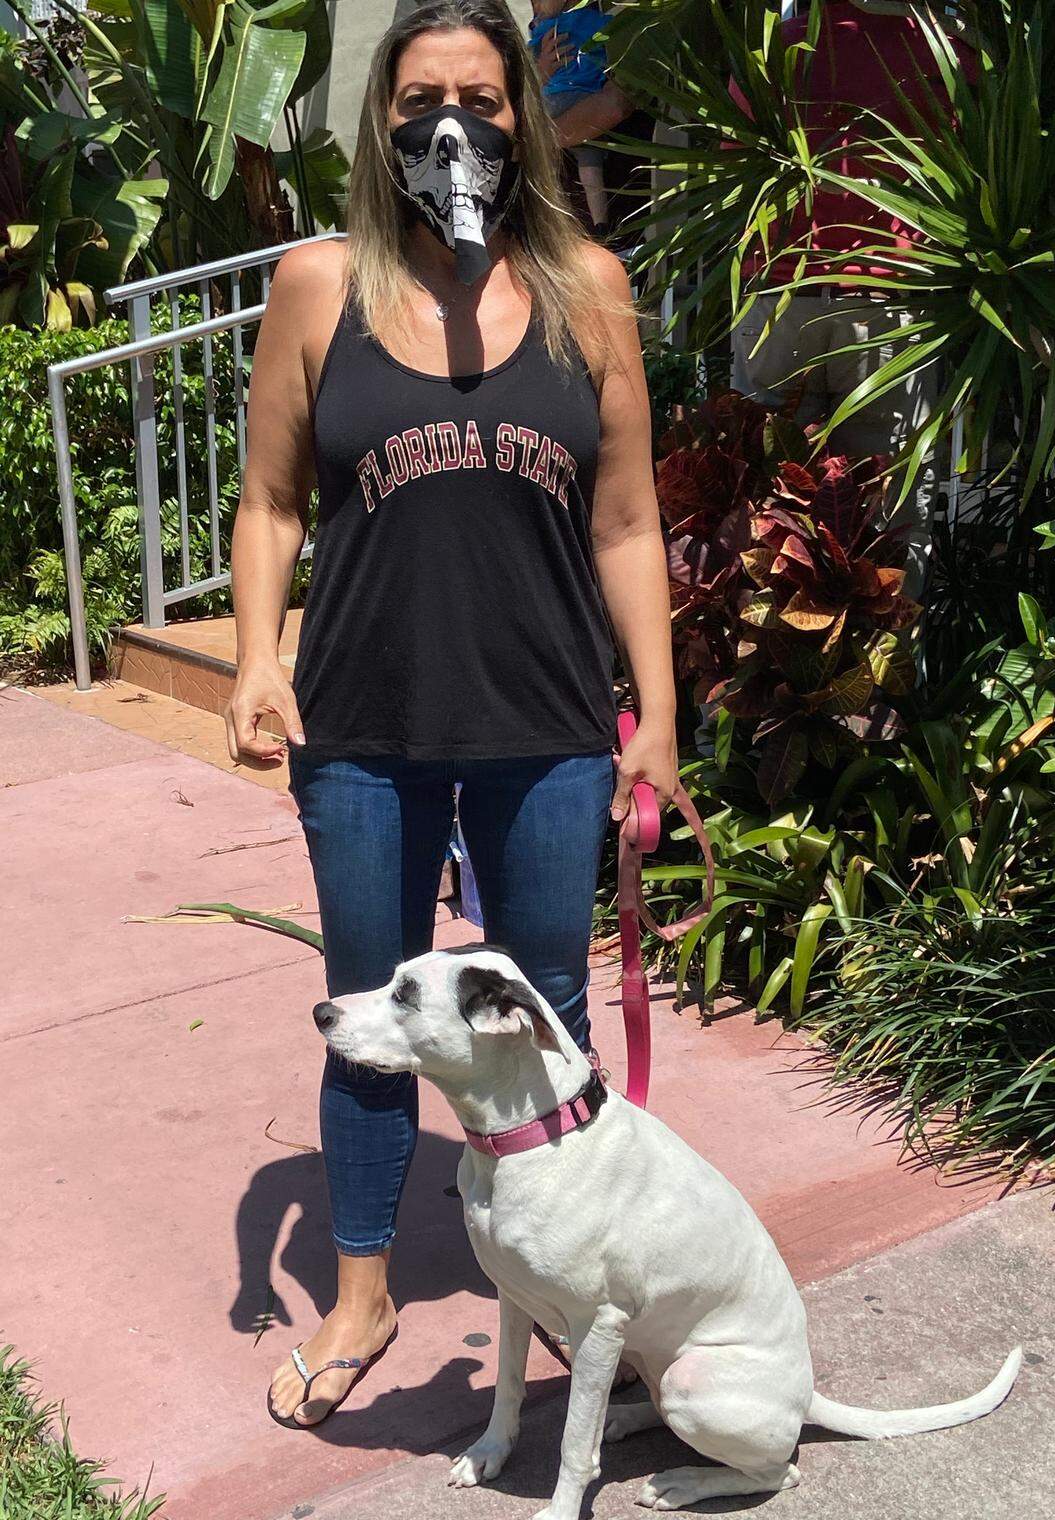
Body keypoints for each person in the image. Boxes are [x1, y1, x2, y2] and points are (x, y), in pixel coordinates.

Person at [223, 0, 677, 1430]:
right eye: (424, 99)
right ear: (381, 119)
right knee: (374, 1012)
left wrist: (652, 716)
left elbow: (625, 519)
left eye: (482, 99)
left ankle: (560, 1287)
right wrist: (253, 658)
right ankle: (363, 1293)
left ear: (523, 119)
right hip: (362, 729)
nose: (452, 127)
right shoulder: (318, 286)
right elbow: (272, 500)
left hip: (546, 728)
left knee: (545, 1019)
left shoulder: (590, 288)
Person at [731, 0, 974, 596]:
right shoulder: (951, 57)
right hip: (888, 309)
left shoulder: (779, 50)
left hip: (782, 299)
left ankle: (764, 669)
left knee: (765, 505)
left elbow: (732, 167)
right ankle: (883, 675)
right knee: (888, 514)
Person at [530, 0, 610, 234]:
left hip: (554, 100)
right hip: (585, 98)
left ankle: (547, 219)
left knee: (546, 169)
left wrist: (538, 143)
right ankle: (601, 225)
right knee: (590, 163)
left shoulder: (551, 26)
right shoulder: (598, 20)